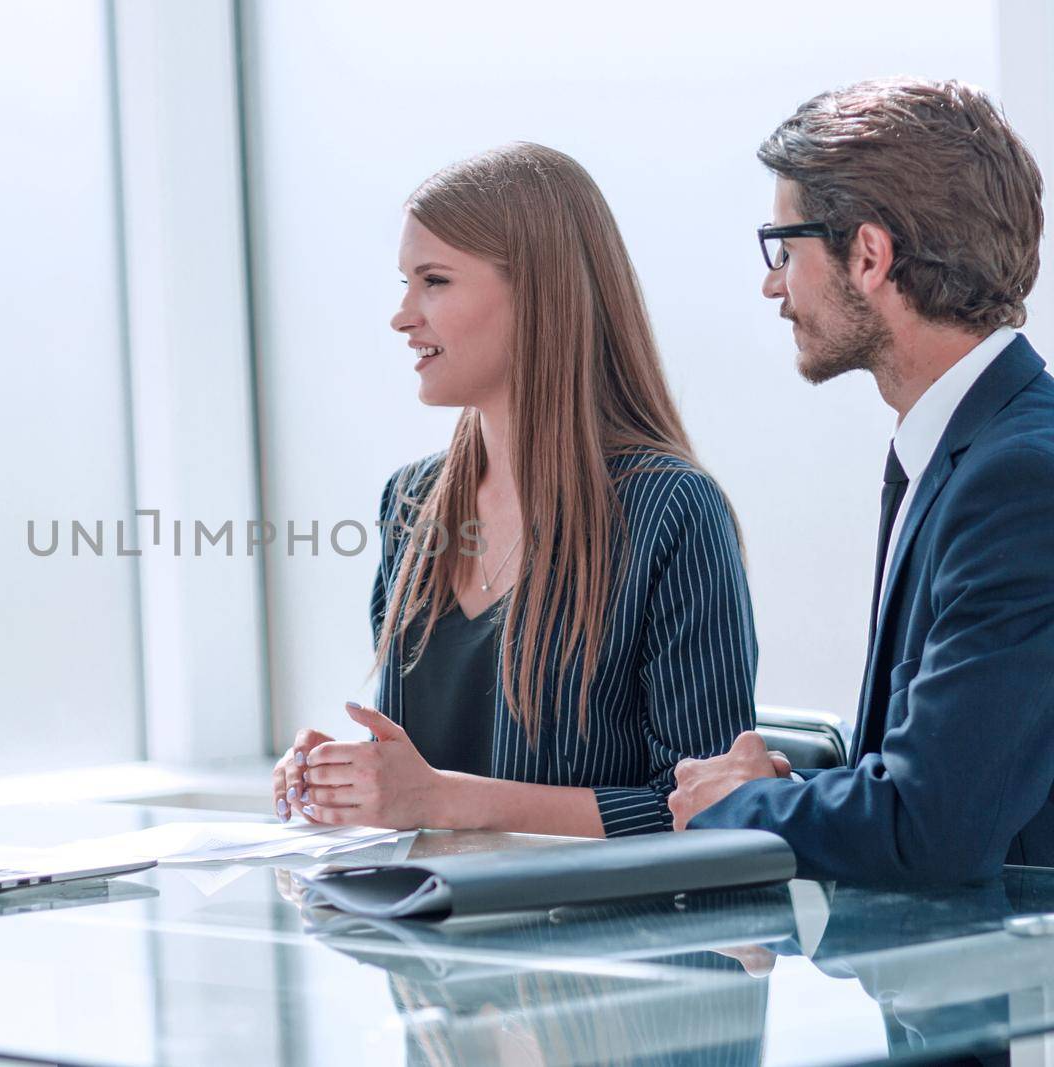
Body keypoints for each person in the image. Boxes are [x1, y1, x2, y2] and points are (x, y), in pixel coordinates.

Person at [274, 143, 758, 836]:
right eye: (406, 282)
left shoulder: (670, 511)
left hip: (608, 941)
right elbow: (418, 783)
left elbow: (710, 812)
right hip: (442, 936)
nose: (402, 314)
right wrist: (349, 780)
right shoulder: (411, 506)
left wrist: (442, 798)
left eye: (433, 280)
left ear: (536, 293)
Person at [670, 78, 1054, 885]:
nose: (774, 284)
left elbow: (929, 824)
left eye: (785, 247)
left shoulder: (1018, 477)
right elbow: (935, 780)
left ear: (870, 255)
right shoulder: (964, 450)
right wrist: (793, 792)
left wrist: (736, 803)